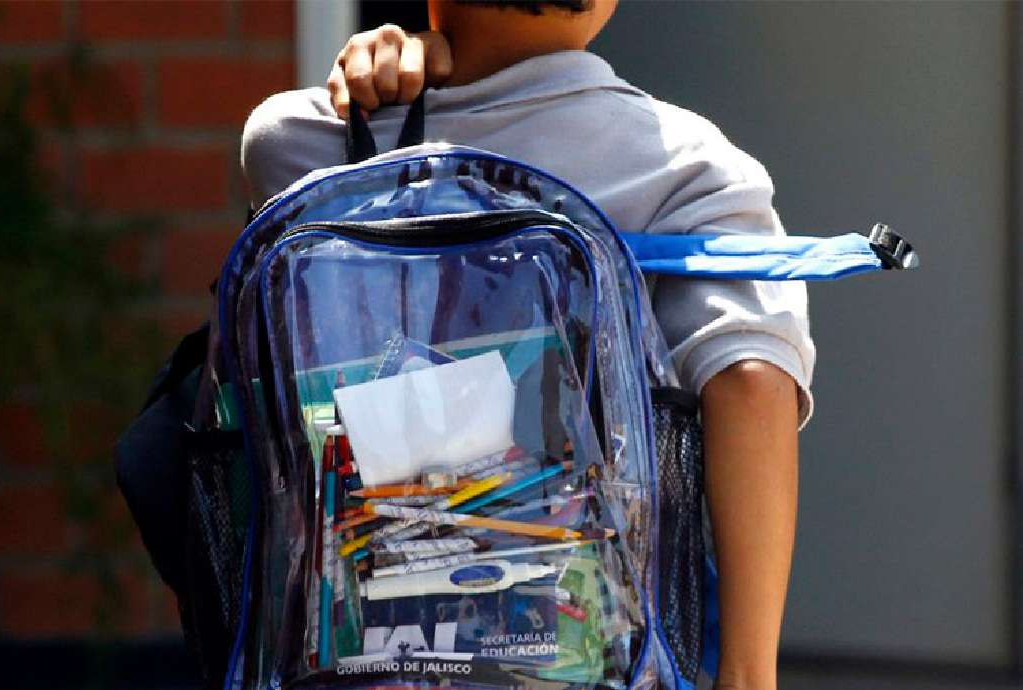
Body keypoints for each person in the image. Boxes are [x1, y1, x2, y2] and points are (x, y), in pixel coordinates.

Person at [240, 2, 809, 689]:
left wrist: (419, 57)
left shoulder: (296, 143)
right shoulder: (693, 169)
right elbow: (751, 382)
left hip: (352, 661)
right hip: (596, 661)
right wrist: (749, 675)